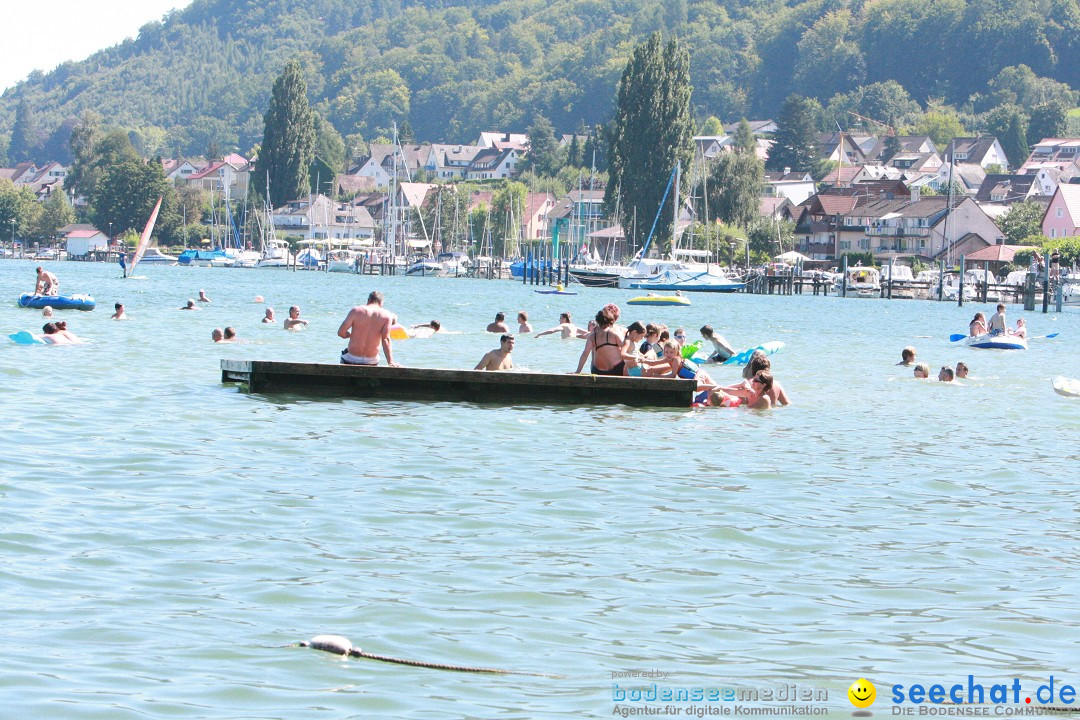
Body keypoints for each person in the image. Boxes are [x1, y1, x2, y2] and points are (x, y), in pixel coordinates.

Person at [337, 290, 400, 367]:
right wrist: (391, 362)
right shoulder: (387, 315)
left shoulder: (356, 310)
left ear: (368, 300)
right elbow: (386, 339)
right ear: (381, 303)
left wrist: (348, 335)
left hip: (351, 359)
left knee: (346, 352)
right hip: (371, 361)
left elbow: (340, 333)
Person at [574, 305, 626, 376]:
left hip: (597, 370)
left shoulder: (592, 336)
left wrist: (578, 371)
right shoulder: (615, 332)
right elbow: (626, 350)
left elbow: (585, 354)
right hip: (617, 369)